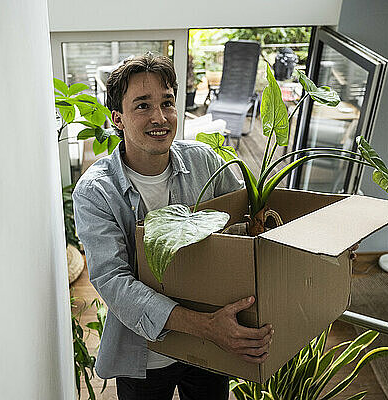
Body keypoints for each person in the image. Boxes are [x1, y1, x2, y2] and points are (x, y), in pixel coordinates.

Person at [72, 53, 273, 400]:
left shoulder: (205, 162)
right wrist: (208, 328)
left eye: (167, 102)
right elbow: (113, 282)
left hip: (210, 350)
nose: (160, 117)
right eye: (143, 106)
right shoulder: (96, 192)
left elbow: (242, 229)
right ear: (117, 118)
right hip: (144, 354)